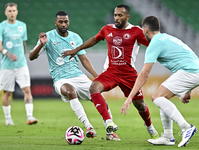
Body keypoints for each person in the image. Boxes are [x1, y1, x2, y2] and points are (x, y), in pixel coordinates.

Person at [61, 4, 159, 139]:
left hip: (129, 74)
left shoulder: (136, 31)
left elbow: (154, 44)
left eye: (120, 15)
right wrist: (76, 49)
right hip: (111, 72)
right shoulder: (107, 29)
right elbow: (95, 39)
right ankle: (109, 123)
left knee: (140, 105)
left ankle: (150, 127)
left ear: (127, 17)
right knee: (94, 87)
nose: (116, 18)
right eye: (115, 15)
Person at [29, 10, 119, 140]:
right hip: (61, 79)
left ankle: (110, 131)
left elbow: (84, 60)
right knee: (70, 91)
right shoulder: (48, 37)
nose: (63, 24)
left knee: (100, 99)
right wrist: (41, 45)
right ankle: (89, 127)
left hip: (79, 76)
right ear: (55, 23)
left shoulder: (75, 37)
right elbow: (32, 56)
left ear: (69, 22)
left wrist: (97, 77)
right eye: (60, 22)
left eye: (66, 21)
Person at [121, 16, 198, 147]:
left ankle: (186, 127)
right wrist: (188, 90)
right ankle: (168, 137)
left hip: (189, 71)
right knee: (162, 97)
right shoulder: (168, 37)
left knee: (157, 97)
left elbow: (144, 74)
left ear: (145, 30)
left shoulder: (155, 43)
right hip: (194, 70)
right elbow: (190, 57)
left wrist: (130, 97)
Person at [0, 3, 38, 125]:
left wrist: (23, 56)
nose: (11, 13)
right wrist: (8, 54)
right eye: (9, 11)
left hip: (21, 65)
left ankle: (30, 117)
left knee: (27, 89)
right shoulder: (1, 26)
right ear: (6, 12)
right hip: (7, 66)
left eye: (13, 10)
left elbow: (23, 43)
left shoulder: (22, 26)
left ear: (17, 12)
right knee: (7, 92)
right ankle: (8, 118)